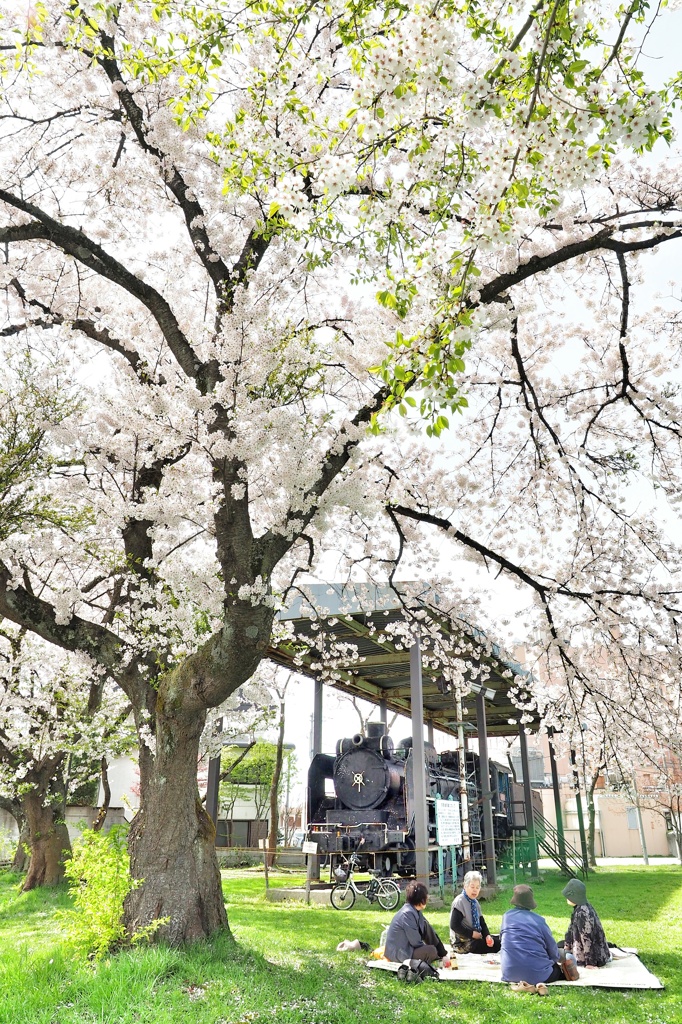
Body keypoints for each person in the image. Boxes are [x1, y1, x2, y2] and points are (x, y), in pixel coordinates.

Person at [500, 884, 563, 986]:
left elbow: (503, 939)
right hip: (539, 974)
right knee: (557, 969)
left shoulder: (506, 917)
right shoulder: (539, 921)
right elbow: (553, 951)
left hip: (509, 973)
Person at [384, 881, 449, 964]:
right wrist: (431, 951)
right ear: (421, 899)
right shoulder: (407, 914)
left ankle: (441, 954)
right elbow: (416, 942)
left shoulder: (414, 911)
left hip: (407, 949)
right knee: (431, 951)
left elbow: (429, 932)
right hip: (399, 953)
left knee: (427, 927)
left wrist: (443, 953)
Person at [562, 878, 611, 968]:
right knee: (558, 946)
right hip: (584, 948)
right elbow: (571, 929)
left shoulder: (582, 913)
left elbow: (587, 937)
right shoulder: (581, 907)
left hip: (592, 957)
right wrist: (567, 946)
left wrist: (590, 963)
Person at [450, 870, 501, 953]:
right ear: (465, 886)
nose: (475, 890)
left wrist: (487, 936)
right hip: (462, 942)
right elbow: (454, 925)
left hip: (476, 938)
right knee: (481, 945)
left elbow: (482, 923)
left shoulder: (475, 902)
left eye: (477, 887)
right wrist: (472, 934)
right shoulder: (460, 901)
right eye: (472, 887)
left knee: (498, 942)